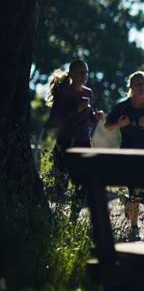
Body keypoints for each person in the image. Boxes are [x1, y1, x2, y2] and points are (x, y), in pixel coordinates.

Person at [104, 71, 144, 239]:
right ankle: (134, 228)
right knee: (135, 191)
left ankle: (126, 201)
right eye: (138, 84)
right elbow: (107, 126)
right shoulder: (122, 106)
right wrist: (121, 123)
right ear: (130, 86)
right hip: (128, 154)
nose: (142, 87)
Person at [46, 59, 104, 211]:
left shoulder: (88, 92)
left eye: (86, 72)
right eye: (81, 72)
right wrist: (76, 109)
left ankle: (73, 216)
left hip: (84, 142)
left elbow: (87, 117)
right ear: (71, 73)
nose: (84, 75)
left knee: (85, 183)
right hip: (65, 142)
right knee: (61, 184)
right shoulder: (63, 92)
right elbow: (55, 120)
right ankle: (56, 216)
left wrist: (95, 117)